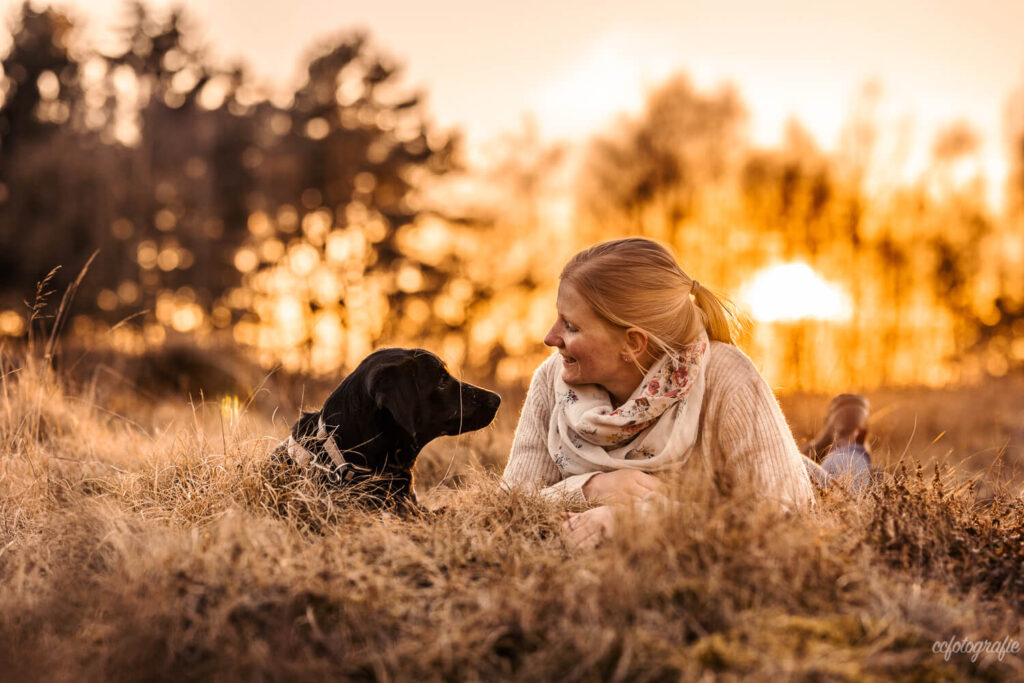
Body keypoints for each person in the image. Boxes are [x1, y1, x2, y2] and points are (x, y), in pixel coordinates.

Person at [501, 237, 851, 550]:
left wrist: (640, 521)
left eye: (572, 326)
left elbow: (786, 515)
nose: (550, 337)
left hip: (812, 480)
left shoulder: (728, 376)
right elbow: (509, 504)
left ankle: (845, 435)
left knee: (847, 467)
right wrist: (592, 489)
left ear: (633, 343)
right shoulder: (553, 379)